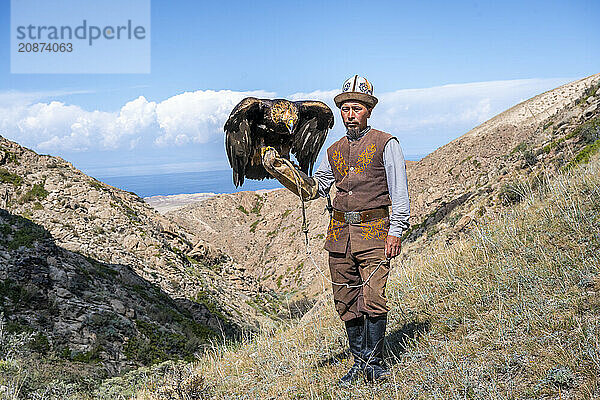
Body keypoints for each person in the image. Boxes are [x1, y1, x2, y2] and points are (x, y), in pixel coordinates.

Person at [261, 75, 410, 384]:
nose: (350, 114)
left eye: (357, 108)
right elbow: (319, 187)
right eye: (345, 109)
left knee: (374, 297)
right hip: (339, 236)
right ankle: (359, 363)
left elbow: (400, 192)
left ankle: (376, 365)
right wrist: (286, 173)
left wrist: (397, 230)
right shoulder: (335, 150)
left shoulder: (386, 143)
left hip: (375, 232)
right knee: (346, 299)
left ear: (368, 110)